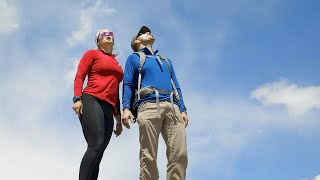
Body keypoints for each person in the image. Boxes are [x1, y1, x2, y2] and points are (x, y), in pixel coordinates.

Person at [122, 26, 189, 180]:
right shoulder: (134, 58)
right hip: (148, 106)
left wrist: (183, 108)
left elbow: (176, 86)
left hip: (172, 107)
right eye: (143, 33)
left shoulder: (166, 61)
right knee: (148, 155)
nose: (148, 32)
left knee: (180, 154)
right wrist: (126, 108)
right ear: (137, 41)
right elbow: (128, 84)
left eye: (149, 31)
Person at [72, 29, 123, 180]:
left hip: (109, 107)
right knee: (96, 145)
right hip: (91, 99)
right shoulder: (92, 54)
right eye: (104, 34)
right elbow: (80, 75)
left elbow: (115, 91)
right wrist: (77, 98)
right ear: (98, 41)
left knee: (99, 154)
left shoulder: (117, 63)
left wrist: (118, 118)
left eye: (111, 34)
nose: (108, 35)